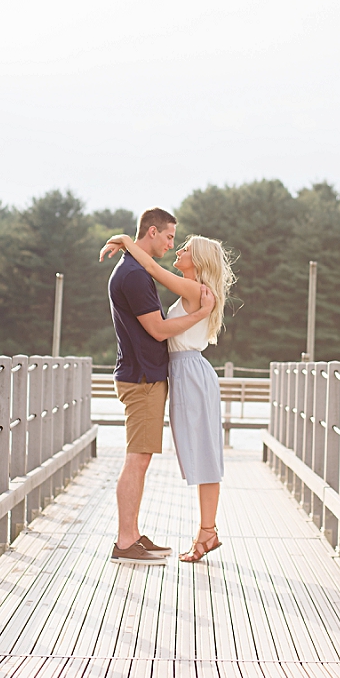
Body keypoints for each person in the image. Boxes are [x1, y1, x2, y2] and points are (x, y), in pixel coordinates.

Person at [101, 229, 236, 562]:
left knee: (205, 455)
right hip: (185, 372)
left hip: (189, 372)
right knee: (201, 454)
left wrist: (126, 241)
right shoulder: (193, 291)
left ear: (199, 259)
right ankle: (207, 531)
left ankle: (208, 532)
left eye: (186, 248)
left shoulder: (193, 288)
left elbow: (154, 271)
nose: (178, 249)